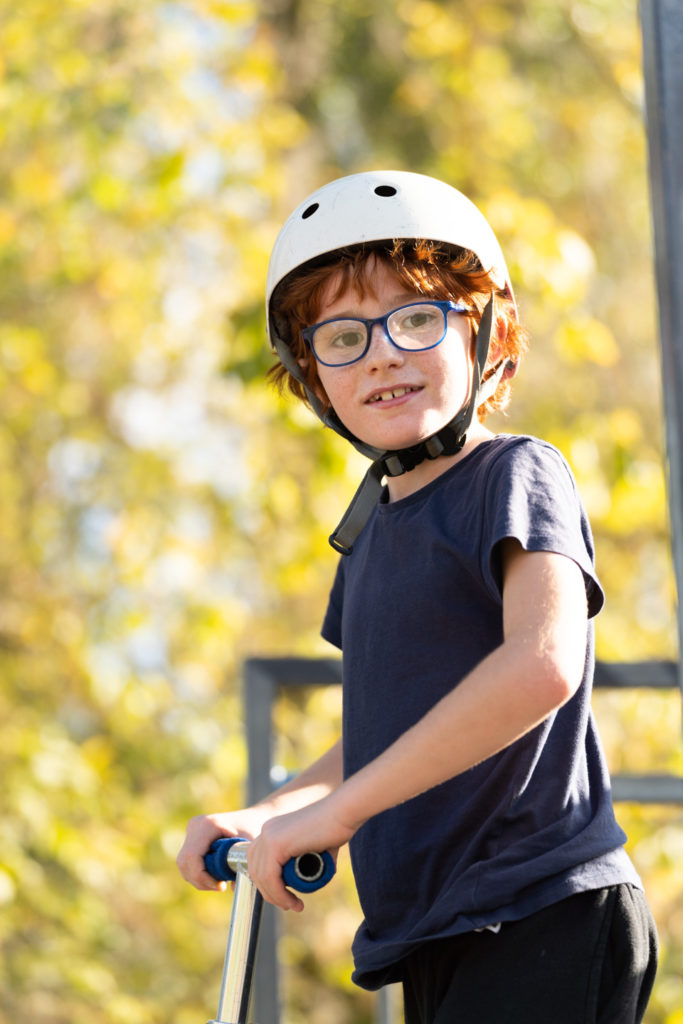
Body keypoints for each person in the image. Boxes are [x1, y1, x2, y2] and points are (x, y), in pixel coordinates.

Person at [177, 170, 658, 1022]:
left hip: (541, 904)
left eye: (414, 318)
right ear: (310, 378)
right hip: (436, 927)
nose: (382, 354)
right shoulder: (368, 535)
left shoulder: (514, 474)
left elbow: (541, 665)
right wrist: (276, 809)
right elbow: (379, 735)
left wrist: (341, 813)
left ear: (489, 333)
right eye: (341, 338)